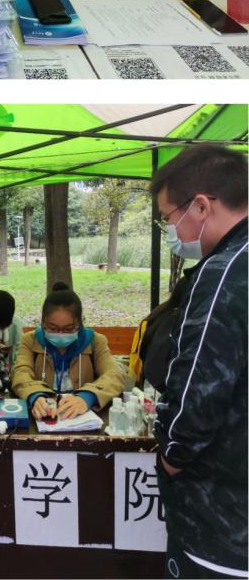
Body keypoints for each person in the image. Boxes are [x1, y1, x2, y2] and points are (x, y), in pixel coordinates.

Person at [148, 144, 246, 579]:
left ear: (201, 206)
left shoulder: (224, 272)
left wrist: (172, 453)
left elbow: (197, 390)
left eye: (168, 218)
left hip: (221, 522)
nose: (171, 230)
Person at [11, 282, 124, 421]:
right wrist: (35, 396)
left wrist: (87, 397)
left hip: (82, 419)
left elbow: (114, 375)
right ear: (43, 322)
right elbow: (20, 373)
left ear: (79, 323)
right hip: (45, 418)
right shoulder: (30, 340)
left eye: (68, 329)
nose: (60, 334)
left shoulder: (95, 341)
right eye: (53, 328)